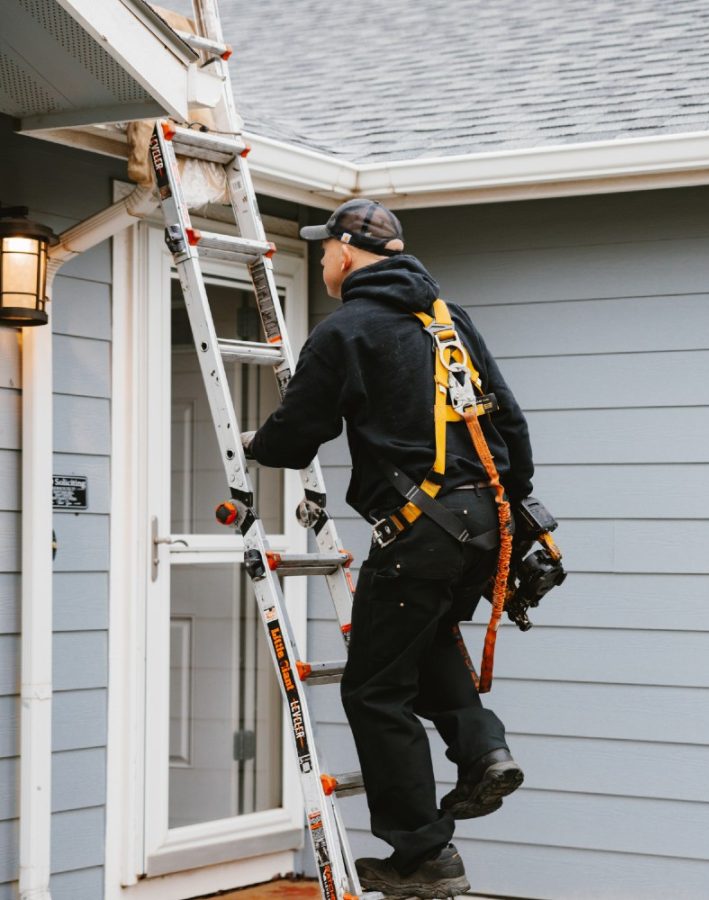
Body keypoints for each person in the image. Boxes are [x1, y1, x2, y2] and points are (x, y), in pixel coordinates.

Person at [243, 198, 534, 899]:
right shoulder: (449, 320)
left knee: (375, 691)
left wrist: (255, 443)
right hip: (486, 523)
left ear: (346, 252)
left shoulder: (347, 330)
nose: (322, 259)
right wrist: (509, 514)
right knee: (424, 641)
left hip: (419, 532)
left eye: (324, 249)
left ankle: (422, 855)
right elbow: (511, 426)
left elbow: (296, 436)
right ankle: (481, 749)